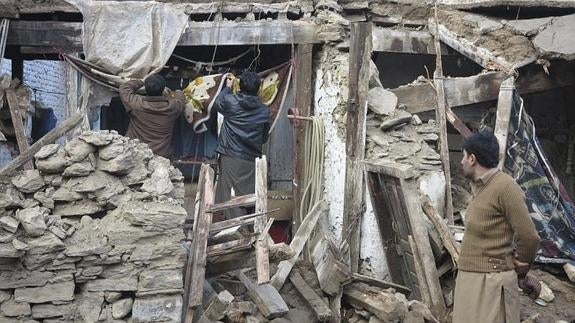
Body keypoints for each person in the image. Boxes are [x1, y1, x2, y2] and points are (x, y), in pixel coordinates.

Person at [453, 131, 540, 323]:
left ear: (472, 159)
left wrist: (522, 269)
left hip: (490, 284)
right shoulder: (480, 186)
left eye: (463, 156)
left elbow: (530, 236)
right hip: (471, 279)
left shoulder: (505, 187)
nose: (461, 161)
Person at [213, 71, 270, 219]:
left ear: (240, 86)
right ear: (258, 88)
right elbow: (264, 138)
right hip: (252, 161)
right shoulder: (264, 110)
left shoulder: (230, 101)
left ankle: (237, 234)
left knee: (231, 199)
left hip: (231, 156)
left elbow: (217, 103)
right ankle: (249, 233)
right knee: (250, 199)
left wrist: (227, 87)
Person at [119, 74, 184, 159]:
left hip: (136, 154)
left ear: (145, 89)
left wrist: (142, 81)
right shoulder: (173, 107)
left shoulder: (136, 104)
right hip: (161, 157)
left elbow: (124, 88)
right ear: (163, 89)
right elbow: (180, 98)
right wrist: (177, 92)